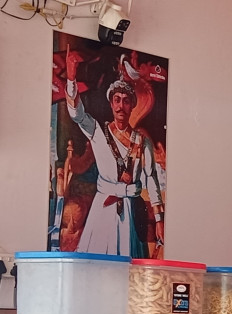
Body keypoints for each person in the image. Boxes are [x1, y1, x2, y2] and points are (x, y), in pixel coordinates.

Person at [63, 47, 165, 258]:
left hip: (132, 212)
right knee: (99, 265)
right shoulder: (98, 132)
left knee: (130, 267)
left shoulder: (142, 141)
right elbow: (77, 114)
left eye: (126, 101)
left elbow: (151, 178)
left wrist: (159, 219)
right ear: (111, 104)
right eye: (116, 100)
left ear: (132, 105)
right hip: (103, 210)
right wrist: (71, 78)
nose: (121, 106)